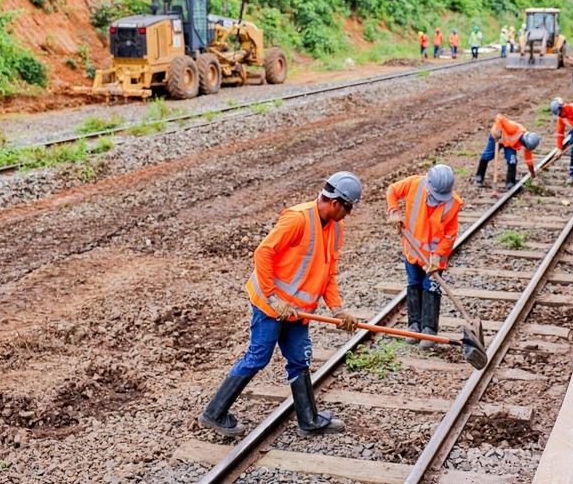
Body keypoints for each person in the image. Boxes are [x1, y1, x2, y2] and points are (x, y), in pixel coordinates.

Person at [198, 171, 363, 437]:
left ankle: (309, 421)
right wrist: (273, 298)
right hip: (270, 305)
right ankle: (213, 413)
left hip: (298, 312)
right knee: (258, 357)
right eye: (349, 207)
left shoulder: (336, 228)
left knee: (299, 358)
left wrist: (338, 309)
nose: (349, 213)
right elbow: (263, 252)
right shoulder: (298, 218)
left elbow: (328, 271)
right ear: (335, 202)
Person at [386, 165, 463, 346]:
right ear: (428, 183)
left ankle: (429, 330)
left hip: (434, 258)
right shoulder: (414, 184)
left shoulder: (452, 203)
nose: (438, 200)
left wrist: (437, 255)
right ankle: (414, 326)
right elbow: (392, 191)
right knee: (414, 283)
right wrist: (394, 212)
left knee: (431, 287)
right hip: (413, 250)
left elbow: (450, 236)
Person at [474, 114, 540, 189]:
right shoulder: (513, 129)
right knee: (487, 155)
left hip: (510, 144)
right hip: (497, 138)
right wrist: (498, 130)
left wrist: (533, 175)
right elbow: (499, 117)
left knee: (512, 161)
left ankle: (510, 183)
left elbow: (529, 161)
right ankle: (479, 176)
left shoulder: (527, 145)